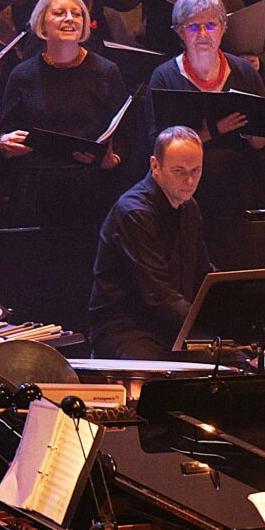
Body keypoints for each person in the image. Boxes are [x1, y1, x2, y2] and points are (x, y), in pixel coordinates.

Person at [0, 0, 129, 233]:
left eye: (76, 13)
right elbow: (2, 134)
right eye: (59, 13)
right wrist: (4, 143)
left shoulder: (106, 72)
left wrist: (113, 159)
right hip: (34, 188)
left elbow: (126, 134)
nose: (69, 19)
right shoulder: (22, 74)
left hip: (89, 187)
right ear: (42, 24)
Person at [143, 0, 265, 219]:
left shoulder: (244, 71)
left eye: (211, 25)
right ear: (180, 32)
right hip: (184, 193)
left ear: (224, 28)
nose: (203, 34)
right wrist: (211, 131)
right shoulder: (163, 77)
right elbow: (157, 145)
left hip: (240, 188)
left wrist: (254, 133)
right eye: (193, 27)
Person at [90, 127, 213, 357]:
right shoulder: (134, 213)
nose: (189, 180)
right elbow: (159, 295)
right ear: (155, 166)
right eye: (179, 171)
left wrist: (237, 321)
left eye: (196, 170)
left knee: (243, 364)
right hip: (127, 330)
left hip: (171, 326)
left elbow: (203, 274)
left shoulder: (189, 207)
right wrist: (216, 330)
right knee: (163, 379)